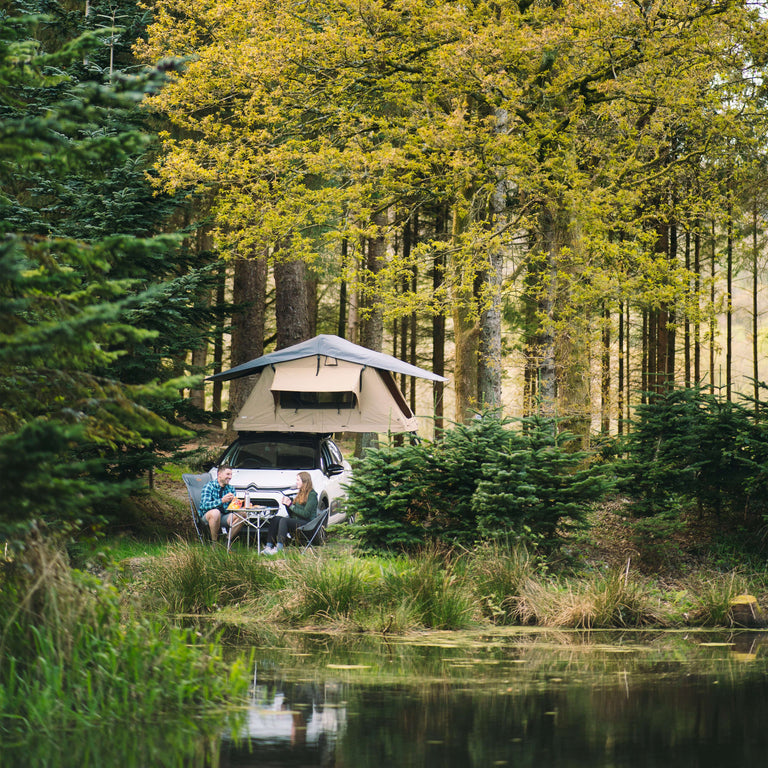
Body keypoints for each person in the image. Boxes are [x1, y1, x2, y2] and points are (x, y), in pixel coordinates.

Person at [262, 471, 318, 555]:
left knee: (284, 520)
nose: (296, 482)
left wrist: (291, 505)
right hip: (298, 520)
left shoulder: (312, 495)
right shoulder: (300, 493)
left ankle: (279, 548)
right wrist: (287, 505)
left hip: (308, 523)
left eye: (298, 480)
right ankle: (268, 546)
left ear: (304, 481)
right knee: (276, 519)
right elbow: (293, 513)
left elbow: (306, 514)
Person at [199, 465, 245, 544]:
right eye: (227, 474)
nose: (230, 477)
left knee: (243, 514)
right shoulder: (209, 486)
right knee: (215, 512)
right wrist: (222, 500)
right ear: (219, 474)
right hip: (208, 516)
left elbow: (232, 508)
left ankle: (226, 541)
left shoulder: (230, 488)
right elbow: (204, 505)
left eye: (231, 475)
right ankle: (214, 543)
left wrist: (239, 504)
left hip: (224, 516)